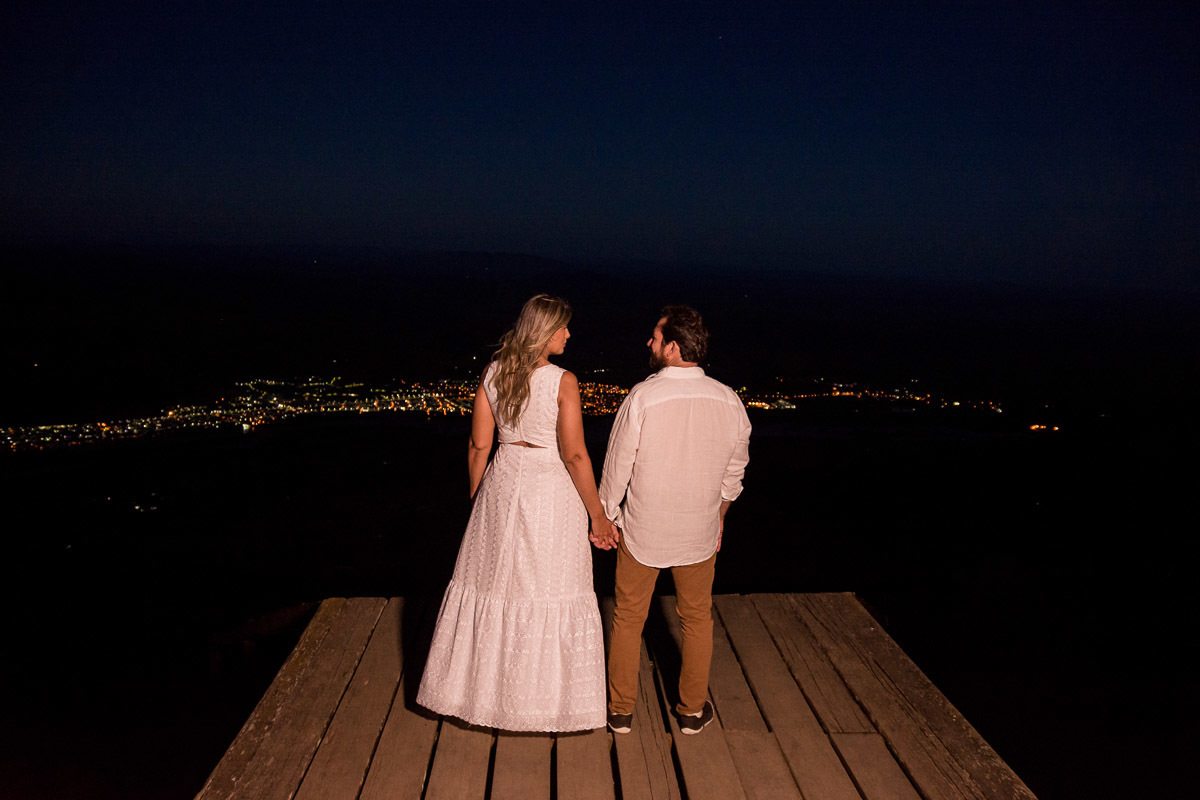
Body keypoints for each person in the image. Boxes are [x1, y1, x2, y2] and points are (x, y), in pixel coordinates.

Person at [417, 294, 614, 731]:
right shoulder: (563, 381)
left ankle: (478, 699)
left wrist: (478, 501)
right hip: (550, 492)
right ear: (544, 330)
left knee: (495, 589)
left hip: (501, 485)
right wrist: (598, 516)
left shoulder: (493, 372)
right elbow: (576, 455)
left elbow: (479, 445)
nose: (568, 334)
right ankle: (546, 705)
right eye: (563, 326)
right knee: (549, 589)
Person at [597, 305, 751, 735]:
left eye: (655, 336)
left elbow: (616, 468)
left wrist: (606, 518)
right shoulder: (730, 401)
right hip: (698, 533)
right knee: (697, 619)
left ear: (673, 347)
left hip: (643, 529)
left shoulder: (643, 397)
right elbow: (733, 475)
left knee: (629, 618)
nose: (649, 342)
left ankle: (620, 711)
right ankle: (690, 711)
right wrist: (718, 517)